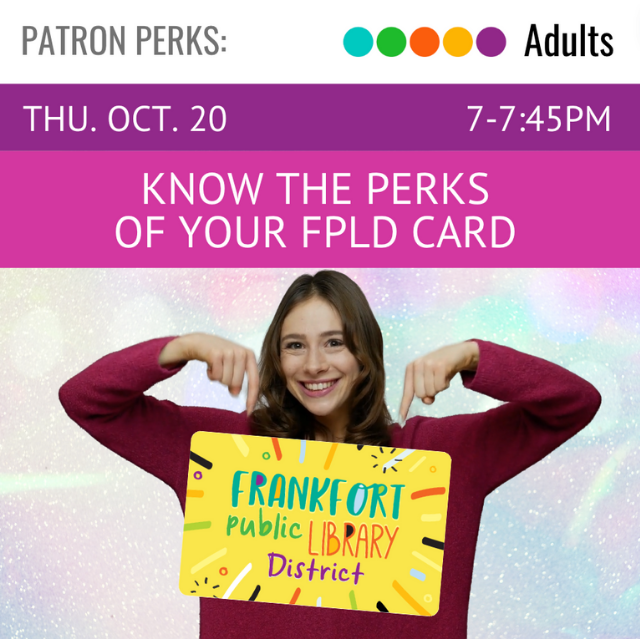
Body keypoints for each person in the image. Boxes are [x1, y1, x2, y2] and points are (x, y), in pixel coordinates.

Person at [59, 270, 601, 639]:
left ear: (366, 353)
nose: (314, 363)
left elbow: (574, 404)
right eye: (296, 345)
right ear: (277, 355)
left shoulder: (441, 454)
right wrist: (179, 348)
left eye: (335, 342)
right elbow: (87, 401)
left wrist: (476, 356)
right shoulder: (226, 453)